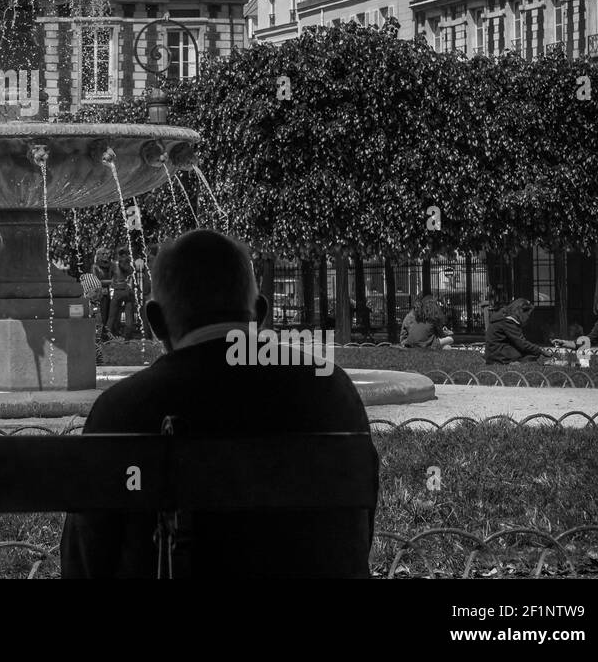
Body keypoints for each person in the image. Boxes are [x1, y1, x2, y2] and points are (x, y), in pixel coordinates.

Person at [61, 230, 377, 578]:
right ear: (258, 312)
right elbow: (356, 537)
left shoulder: (118, 413)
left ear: (155, 322)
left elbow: (83, 563)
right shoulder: (334, 392)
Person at [484, 297, 544, 364]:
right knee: (532, 353)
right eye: (528, 314)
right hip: (498, 354)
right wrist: (539, 350)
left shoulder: (504, 317)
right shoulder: (507, 321)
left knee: (530, 352)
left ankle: (518, 361)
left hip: (495, 352)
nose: (528, 318)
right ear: (521, 311)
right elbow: (521, 343)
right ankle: (516, 362)